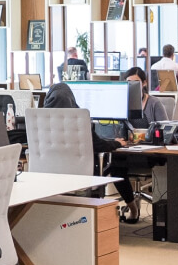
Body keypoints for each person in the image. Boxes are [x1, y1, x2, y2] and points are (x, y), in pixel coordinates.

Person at [42, 83, 140, 222]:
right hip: (79, 173)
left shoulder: (40, 120)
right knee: (116, 165)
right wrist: (117, 143)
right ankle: (131, 209)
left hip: (48, 175)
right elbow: (98, 145)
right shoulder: (79, 119)